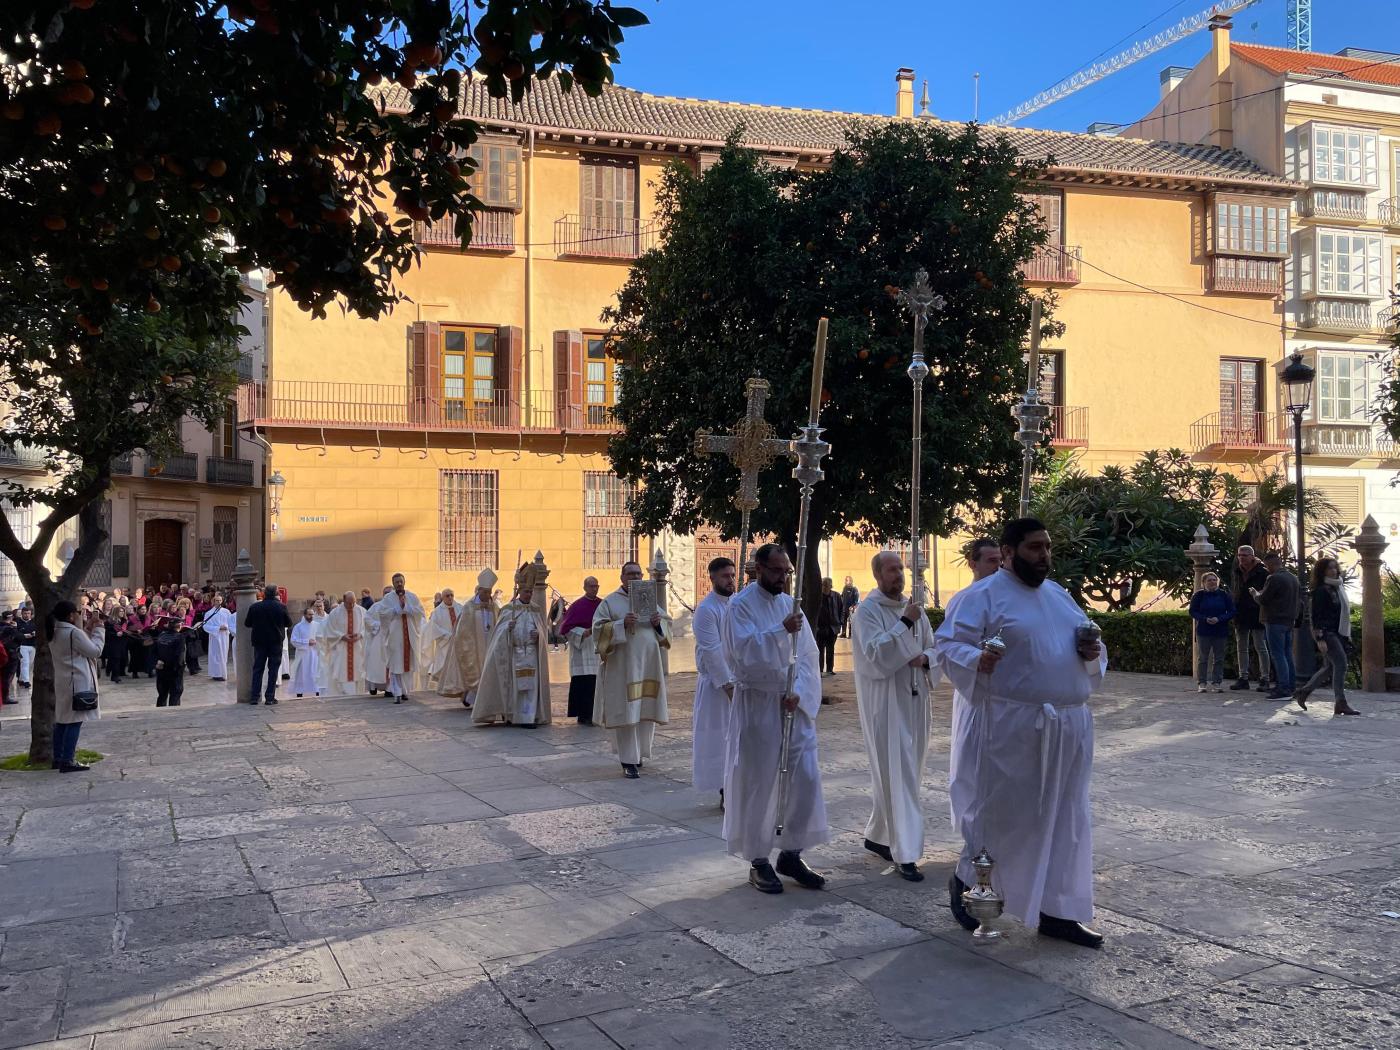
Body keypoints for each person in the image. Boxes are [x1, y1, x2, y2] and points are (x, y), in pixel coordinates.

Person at [935, 518, 1108, 949]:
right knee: (1005, 815)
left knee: (1068, 819)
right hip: (1011, 726)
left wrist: (1091, 652)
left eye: (1047, 547)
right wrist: (978, 660)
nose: (1044, 555)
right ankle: (971, 887)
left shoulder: (1060, 596)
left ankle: (1059, 911)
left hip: (1067, 726)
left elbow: (1092, 644)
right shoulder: (981, 596)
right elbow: (948, 644)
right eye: (1034, 548)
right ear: (1009, 553)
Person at [721, 543, 828, 893]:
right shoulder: (740, 606)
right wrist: (781, 631)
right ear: (758, 568)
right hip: (759, 704)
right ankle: (758, 859)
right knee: (760, 781)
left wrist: (800, 689)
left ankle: (792, 852)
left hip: (792, 705)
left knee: (805, 779)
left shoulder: (790, 605)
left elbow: (809, 656)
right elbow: (744, 655)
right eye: (776, 571)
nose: (783, 577)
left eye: (786, 572)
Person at [852, 550, 940, 882]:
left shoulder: (913, 609)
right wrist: (906, 625)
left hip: (916, 701)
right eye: (891, 570)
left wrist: (926, 659)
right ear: (877, 575)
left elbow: (933, 647)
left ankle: (878, 836)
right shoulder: (868, 612)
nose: (899, 576)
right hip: (886, 704)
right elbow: (876, 655)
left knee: (906, 774)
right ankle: (906, 851)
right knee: (898, 774)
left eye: (900, 569)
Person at [592, 560, 671, 778]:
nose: (635, 577)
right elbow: (598, 630)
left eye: (638, 573)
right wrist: (620, 625)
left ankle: (640, 754)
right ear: (622, 577)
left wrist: (657, 624)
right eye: (630, 574)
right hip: (623, 668)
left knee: (645, 710)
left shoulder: (649, 599)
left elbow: (667, 628)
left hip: (649, 666)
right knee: (628, 711)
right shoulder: (610, 602)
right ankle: (628, 760)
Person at [472, 559, 551, 727]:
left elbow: (544, 632)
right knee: (516, 688)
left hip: (531, 653)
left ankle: (528, 717)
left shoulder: (535, 610)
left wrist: (539, 636)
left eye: (531, 592)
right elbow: (497, 634)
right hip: (514, 654)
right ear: (519, 591)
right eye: (526, 591)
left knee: (531, 687)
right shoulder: (509, 610)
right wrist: (508, 629)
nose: (529, 594)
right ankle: (513, 715)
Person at [693, 557, 736, 806]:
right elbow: (712, 650)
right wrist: (728, 686)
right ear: (712, 578)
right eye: (725, 576)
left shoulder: (738, 604)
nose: (730, 580)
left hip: (741, 680)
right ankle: (724, 790)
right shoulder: (706, 609)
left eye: (732, 575)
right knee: (720, 739)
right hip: (716, 686)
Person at [1294, 558, 1360, 716]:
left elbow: (1341, 613)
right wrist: (1320, 638)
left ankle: (1303, 692)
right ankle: (1341, 703)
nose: (1334, 571)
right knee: (1341, 665)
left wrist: (1346, 634)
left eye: (1335, 568)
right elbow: (1316, 616)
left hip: (1338, 632)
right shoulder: (1321, 590)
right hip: (1328, 633)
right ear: (1322, 571)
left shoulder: (1337, 587)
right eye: (1329, 568)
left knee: (1329, 667)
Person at [49, 599, 105, 772]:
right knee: (75, 721)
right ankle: (68, 760)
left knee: (63, 721)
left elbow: (80, 645)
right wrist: (99, 630)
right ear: (71, 615)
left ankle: (58, 758)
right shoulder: (73, 633)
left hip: (63, 680)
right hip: (77, 682)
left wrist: (87, 628)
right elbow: (95, 651)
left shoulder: (55, 631)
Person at [438, 569, 500, 709]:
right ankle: (473, 698)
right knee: (476, 671)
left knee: (488, 672)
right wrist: (467, 644)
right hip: (474, 646)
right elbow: (462, 630)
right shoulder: (469, 607)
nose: (488, 595)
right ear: (479, 591)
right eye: (486, 592)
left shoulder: (494, 607)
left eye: (490, 592)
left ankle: (477, 699)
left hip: (490, 644)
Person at [1251, 552, 1299, 700]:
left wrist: (1255, 594)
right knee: (1287, 654)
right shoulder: (1293, 578)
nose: (1266, 569)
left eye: (1266, 566)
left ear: (1271, 564)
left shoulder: (1274, 578)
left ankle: (1283, 688)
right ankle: (1290, 686)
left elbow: (1263, 599)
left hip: (1274, 621)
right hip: (1288, 621)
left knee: (1278, 655)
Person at [374, 573, 426, 704]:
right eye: (396, 582)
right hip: (395, 636)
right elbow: (382, 613)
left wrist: (408, 609)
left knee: (407, 664)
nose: (399, 584)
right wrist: (395, 610)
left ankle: (405, 691)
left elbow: (420, 612)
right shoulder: (388, 598)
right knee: (396, 664)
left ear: (404, 582)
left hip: (409, 635)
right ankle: (397, 692)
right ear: (393, 583)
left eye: (400, 581)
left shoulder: (412, 597)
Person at [558, 576, 603, 724]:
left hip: (598, 647)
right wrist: (582, 633)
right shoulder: (577, 606)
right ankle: (584, 715)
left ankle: (598, 713)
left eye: (596, 586)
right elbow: (566, 628)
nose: (594, 588)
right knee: (584, 683)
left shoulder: (603, 605)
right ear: (584, 587)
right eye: (591, 586)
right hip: (582, 649)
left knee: (597, 681)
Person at [1230, 545, 1272, 692]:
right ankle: (1243, 677)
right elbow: (1235, 589)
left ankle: (1265, 678)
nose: (1241, 558)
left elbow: (1267, 592)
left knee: (1261, 646)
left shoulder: (1262, 572)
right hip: (1240, 612)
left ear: (1252, 556)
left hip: (1256, 612)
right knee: (1241, 647)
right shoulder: (1237, 571)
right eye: (1240, 555)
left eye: (1245, 555)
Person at [243, 583, 292, 705]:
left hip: (259, 642)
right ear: (276, 593)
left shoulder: (255, 607)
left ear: (264, 594)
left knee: (258, 669)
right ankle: (270, 697)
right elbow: (289, 623)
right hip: (275, 641)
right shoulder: (281, 607)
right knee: (273, 669)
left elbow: (247, 623)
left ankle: (254, 697)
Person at [1188, 572, 1234, 693]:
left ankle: (1217, 682)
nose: (1212, 582)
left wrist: (1219, 618)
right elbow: (1193, 611)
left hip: (1220, 630)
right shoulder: (1198, 595)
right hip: (1204, 630)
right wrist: (1204, 618)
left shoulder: (1224, 595)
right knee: (1203, 658)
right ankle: (1202, 682)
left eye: (1214, 580)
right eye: (1209, 580)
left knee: (1219, 658)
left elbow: (1232, 611)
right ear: (1203, 583)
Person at [320, 591, 368, 696]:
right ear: (344, 600)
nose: (351, 606)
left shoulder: (362, 611)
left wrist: (360, 635)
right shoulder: (335, 613)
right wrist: (341, 636)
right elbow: (329, 630)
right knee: (341, 673)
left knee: (358, 673)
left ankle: (357, 694)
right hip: (340, 649)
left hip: (357, 648)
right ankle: (341, 694)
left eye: (353, 603)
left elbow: (368, 628)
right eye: (349, 603)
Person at [421, 586, 466, 690]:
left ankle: (457, 685)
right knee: (444, 665)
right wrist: (447, 635)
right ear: (443, 598)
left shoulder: (460, 608)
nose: (450, 597)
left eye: (451, 595)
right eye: (447, 596)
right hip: (445, 643)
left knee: (458, 664)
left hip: (458, 641)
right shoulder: (437, 612)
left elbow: (465, 622)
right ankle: (445, 686)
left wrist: (459, 634)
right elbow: (434, 627)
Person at [364, 585, 393, 695]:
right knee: (376, 664)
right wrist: (377, 625)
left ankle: (389, 688)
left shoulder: (396, 607)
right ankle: (374, 686)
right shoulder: (376, 606)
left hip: (392, 639)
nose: (387, 595)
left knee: (391, 664)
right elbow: (367, 618)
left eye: (389, 593)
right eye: (385, 593)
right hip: (378, 638)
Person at [290, 603, 323, 698]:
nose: (311, 616)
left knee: (316, 673)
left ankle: (318, 692)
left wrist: (317, 642)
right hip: (302, 655)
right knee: (301, 674)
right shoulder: (298, 627)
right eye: (309, 614)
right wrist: (306, 642)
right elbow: (293, 640)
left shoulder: (317, 625)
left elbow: (322, 638)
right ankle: (299, 693)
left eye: (312, 614)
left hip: (315, 653)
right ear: (304, 615)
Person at [153, 616, 187, 707]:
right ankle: (173, 713)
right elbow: (179, 654)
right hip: (174, 669)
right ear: (179, 626)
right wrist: (180, 668)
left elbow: (155, 651)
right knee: (175, 693)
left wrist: (157, 662)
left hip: (161, 667)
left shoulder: (161, 634)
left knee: (162, 694)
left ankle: (160, 712)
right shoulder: (180, 637)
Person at [202, 593, 236, 681]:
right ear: (213, 601)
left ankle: (223, 673)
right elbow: (205, 626)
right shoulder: (209, 613)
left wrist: (227, 627)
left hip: (224, 636)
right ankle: (216, 674)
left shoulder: (226, 612)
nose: (218, 602)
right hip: (215, 636)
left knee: (223, 654)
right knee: (215, 655)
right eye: (217, 600)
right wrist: (218, 628)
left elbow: (231, 623)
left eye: (220, 600)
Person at [814, 577, 843, 678]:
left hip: (833, 627)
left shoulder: (836, 596)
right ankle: (820, 670)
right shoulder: (817, 596)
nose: (825, 587)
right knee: (820, 650)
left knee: (831, 649)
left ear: (831, 586)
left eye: (827, 585)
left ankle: (830, 669)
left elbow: (841, 610)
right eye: (823, 585)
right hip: (821, 628)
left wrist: (840, 623)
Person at [16, 605, 36, 689]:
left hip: (33, 646)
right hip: (22, 646)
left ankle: (21, 679)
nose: (27, 615)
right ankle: (26, 681)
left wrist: (34, 634)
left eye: (28, 613)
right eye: (25, 613)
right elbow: (17, 634)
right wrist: (26, 635)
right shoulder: (18, 622)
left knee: (29, 664)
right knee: (25, 663)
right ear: (22, 614)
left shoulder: (34, 622)